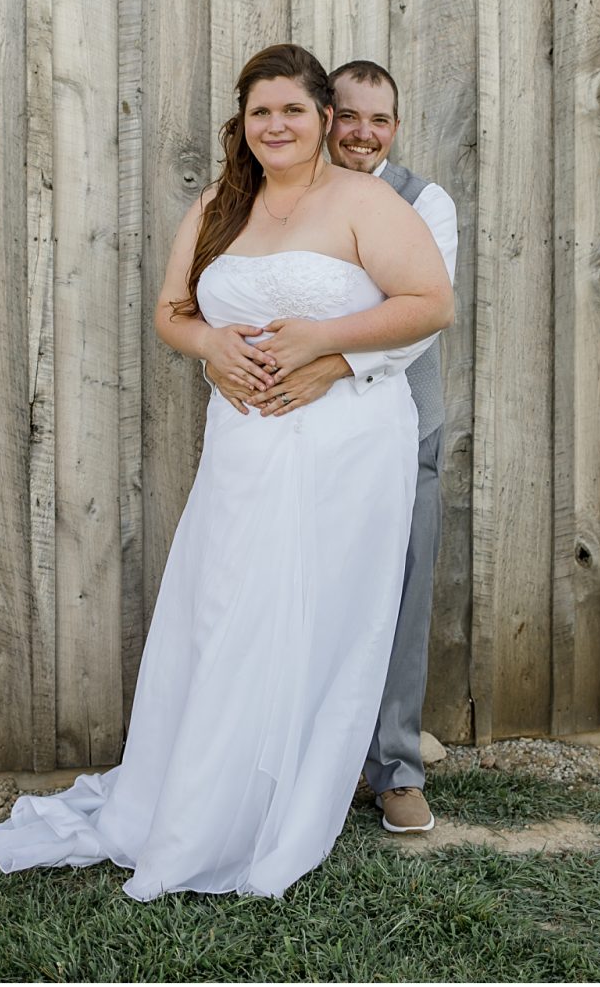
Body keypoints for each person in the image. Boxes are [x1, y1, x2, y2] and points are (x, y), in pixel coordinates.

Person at [0, 43, 452, 899]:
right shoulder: (222, 203)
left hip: (346, 448)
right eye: (262, 111)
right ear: (242, 123)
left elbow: (429, 303)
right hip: (244, 446)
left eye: (293, 109)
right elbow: (172, 311)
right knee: (224, 611)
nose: (277, 125)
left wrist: (324, 341)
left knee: (316, 618)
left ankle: (282, 798)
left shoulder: (366, 201)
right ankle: (204, 792)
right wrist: (210, 343)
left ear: (324, 118)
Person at [211, 60, 456, 833]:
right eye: (347, 115)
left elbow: (418, 311)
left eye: (378, 120)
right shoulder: (279, 199)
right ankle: (311, 754)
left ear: (395, 127)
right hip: (284, 426)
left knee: (400, 589)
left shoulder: (424, 200)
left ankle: (397, 768)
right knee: (300, 591)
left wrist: (335, 363)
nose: (361, 132)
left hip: (392, 417)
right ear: (325, 117)